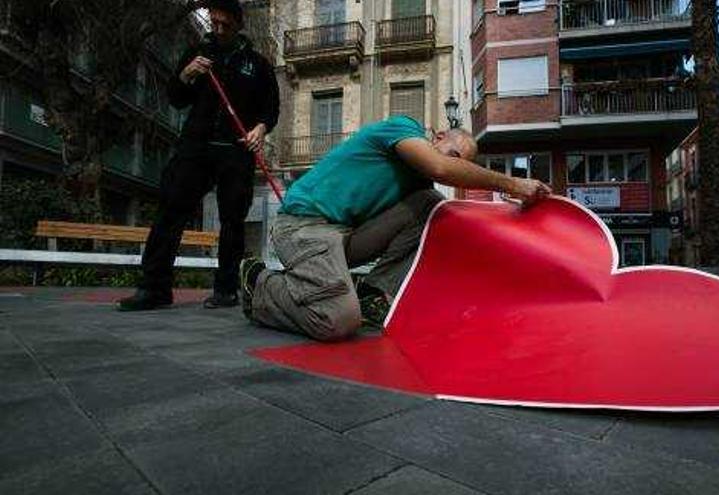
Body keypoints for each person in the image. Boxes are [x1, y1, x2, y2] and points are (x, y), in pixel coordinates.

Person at [239, 115, 551, 341]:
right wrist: (511, 183)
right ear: (438, 136)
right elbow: (440, 167)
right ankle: (260, 283)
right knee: (337, 321)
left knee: (432, 205)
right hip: (302, 227)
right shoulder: (403, 127)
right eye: (456, 156)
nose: (455, 167)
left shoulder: (419, 187)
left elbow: (445, 228)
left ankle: (373, 291)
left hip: (344, 237)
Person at [118, 0, 280, 311]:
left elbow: (270, 109)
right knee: (170, 212)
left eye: (225, 25)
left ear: (238, 24)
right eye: (214, 23)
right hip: (195, 148)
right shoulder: (197, 53)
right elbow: (176, 99)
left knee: (233, 221)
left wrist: (260, 128)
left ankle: (225, 290)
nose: (218, 30)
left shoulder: (257, 64)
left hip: (237, 151)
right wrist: (187, 74)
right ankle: (154, 288)